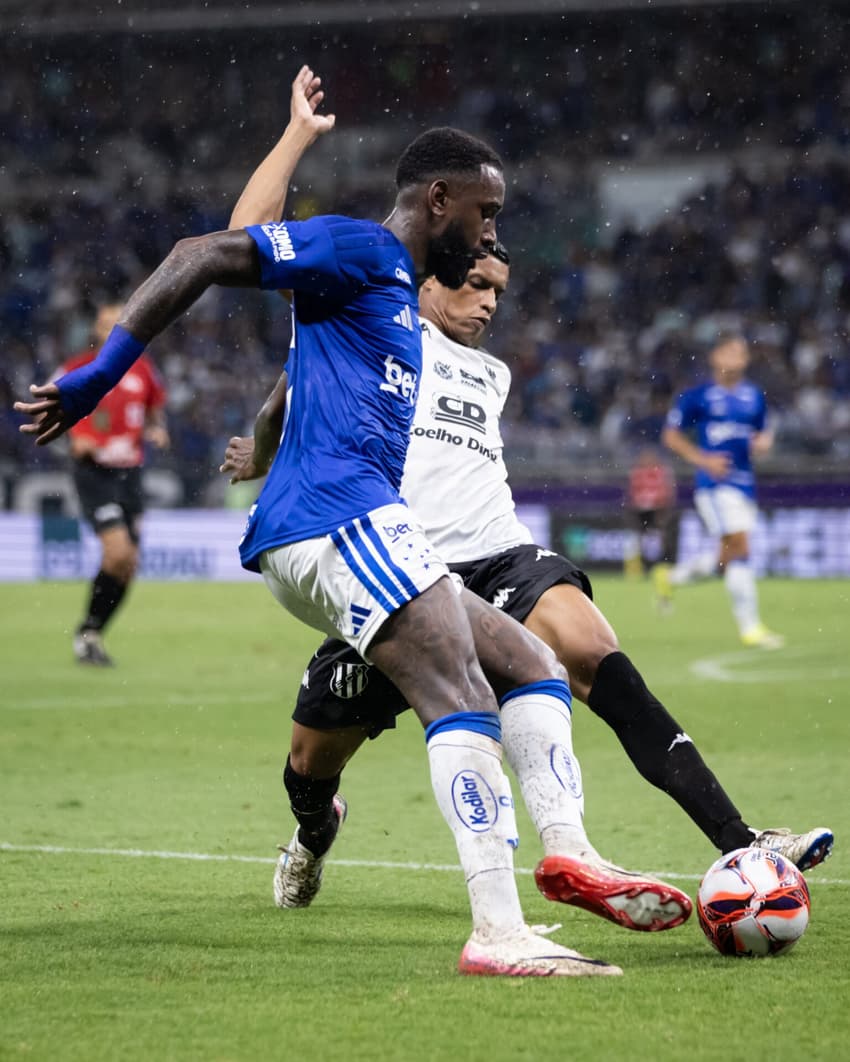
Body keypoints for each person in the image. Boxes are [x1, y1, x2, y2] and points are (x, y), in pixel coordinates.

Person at [15, 76, 623, 978]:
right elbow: (202, 251)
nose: (494, 236)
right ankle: (498, 931)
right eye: (486, 214)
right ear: (439, 201)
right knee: (459, 690)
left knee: (529, 664)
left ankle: (573, 854)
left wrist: (262, 444)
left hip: (349, 527)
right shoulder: (362, 250)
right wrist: (101, 373)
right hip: (338, 523)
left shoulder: (389, 302)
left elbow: (256, 259)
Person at [220, 89, 832, 928]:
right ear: (435, 272)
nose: (486, 301)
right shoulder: (378, 313)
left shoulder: (495, 374)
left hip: (501, 558)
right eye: (474, 281)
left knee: (592, 652)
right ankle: (313, 833)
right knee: (309, 761)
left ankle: (741, 841)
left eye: (499, 292)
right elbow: (271, 327)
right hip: (398, 569)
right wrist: (260, 448)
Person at [58, 300, 169, 665]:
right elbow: (49, 405)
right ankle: (86, 633)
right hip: (95, 473)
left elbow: (154, 409)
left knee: (129, 563)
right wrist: (75, 436)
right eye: (106, 324)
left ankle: (91, 634)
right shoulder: (76, 367)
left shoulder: (143, 369)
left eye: (118, 323)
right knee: (117, 552)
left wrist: (156, 429)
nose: (112, 330)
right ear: (95, 329)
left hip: (130, 474)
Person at [660, 333, 784, 648]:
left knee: (725, 559)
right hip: (715, 486)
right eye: (729, 352)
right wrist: (703, 459)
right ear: (715, 356)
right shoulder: (698, 396)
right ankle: (751, 628)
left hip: (745, 484)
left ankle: (671, 578)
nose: (736, 359)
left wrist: (764, 442)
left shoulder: (753, 396)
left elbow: (763, 432)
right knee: (741, 547)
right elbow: (671, 436)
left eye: (741, 353)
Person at [621, 444, 677, 602]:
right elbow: (633, 493)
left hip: (656, 510)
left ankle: (659, 567)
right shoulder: (638, 473)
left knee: (658, 539)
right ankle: (635, 569)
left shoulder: (660, 472)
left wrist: (662, 509)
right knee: (635, 539)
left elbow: (666, 492)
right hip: (640, 511)